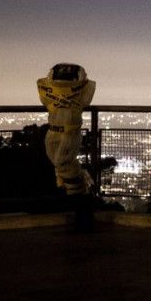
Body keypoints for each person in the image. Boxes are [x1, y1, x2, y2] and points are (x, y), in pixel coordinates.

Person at [37, 63, 97, 232]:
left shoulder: (84, 89)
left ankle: (82, 198)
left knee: (62, 164)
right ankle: (82, 198)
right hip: (52, 132)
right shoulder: (49, 90)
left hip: (70, 133)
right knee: (63, 166)